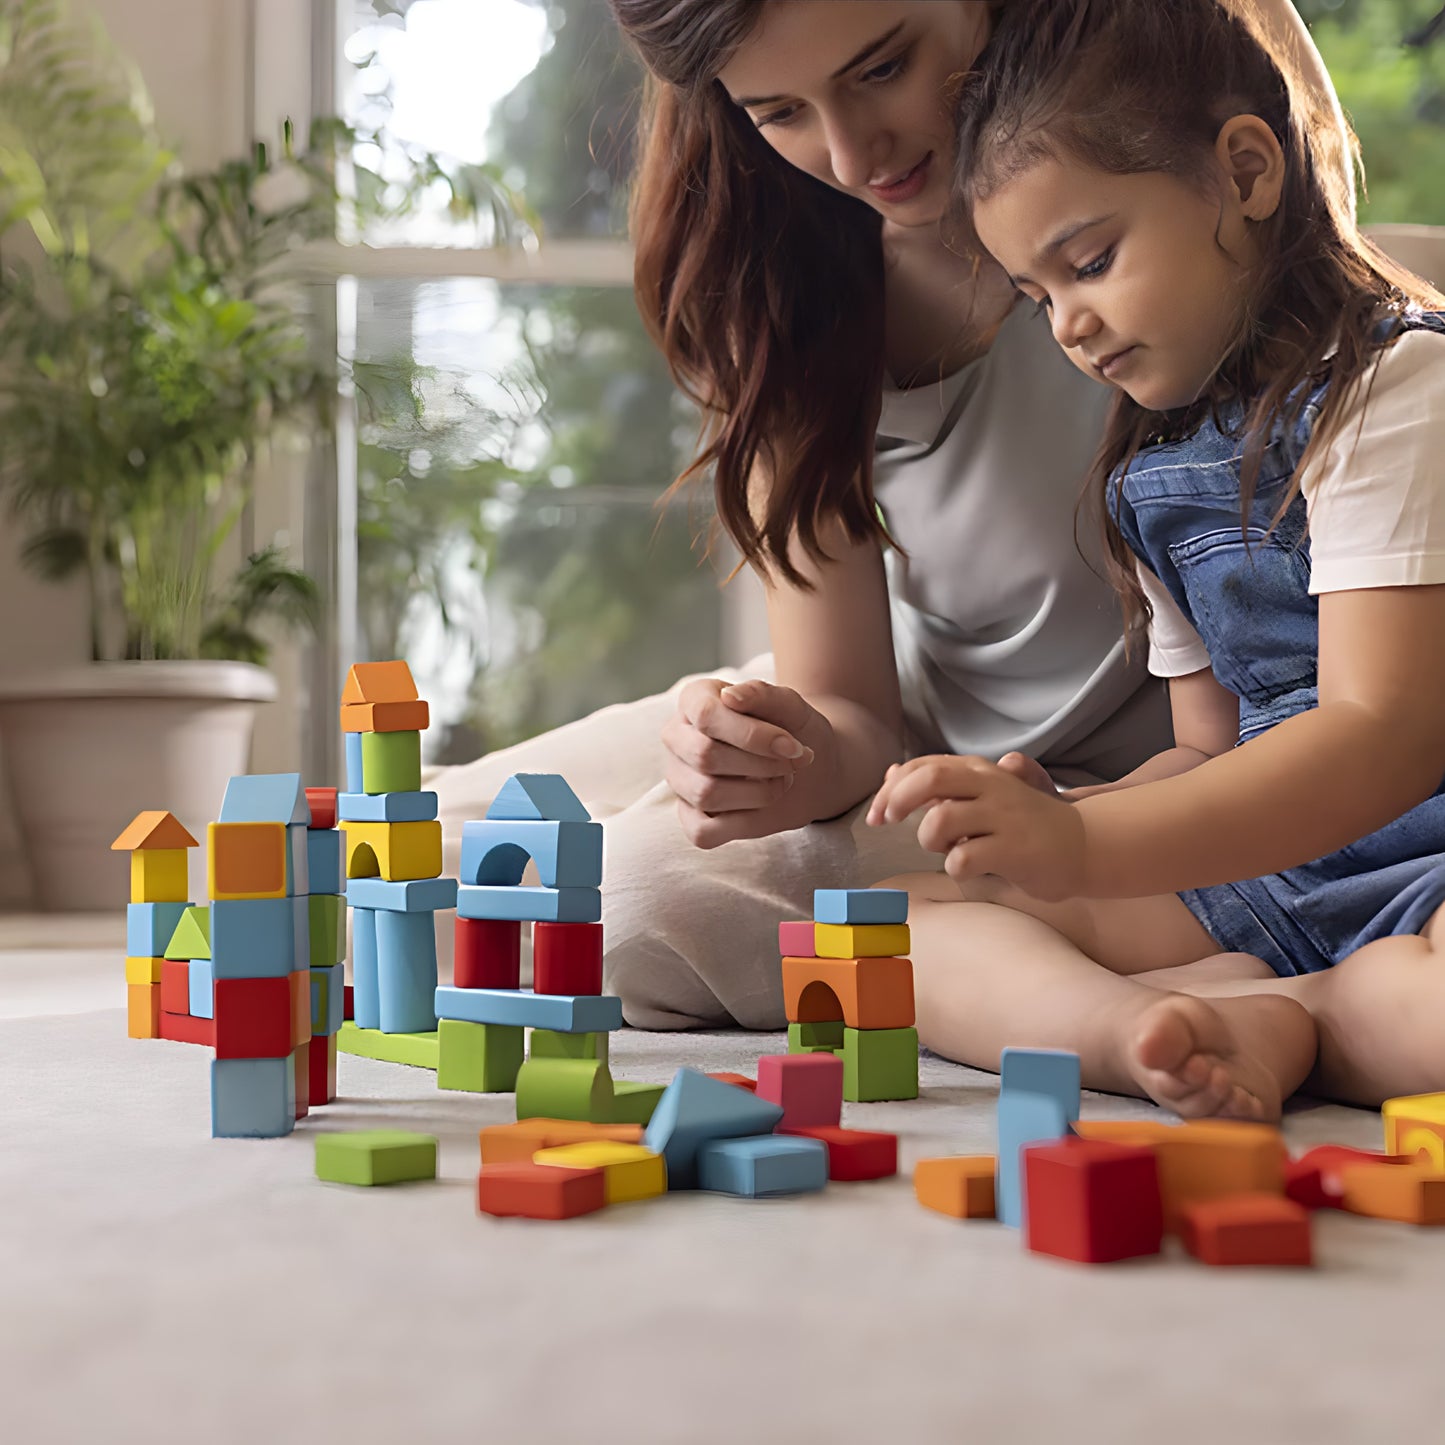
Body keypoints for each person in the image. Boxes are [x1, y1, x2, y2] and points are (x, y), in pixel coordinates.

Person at [429, 0, 1350, 1031]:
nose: (849, 154)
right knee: (415, 843)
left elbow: (1339, 324)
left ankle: (1180, 983)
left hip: (1104, 782)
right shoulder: (782, 273)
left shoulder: (1167, 133)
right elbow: (848, 707)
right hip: (900, 725)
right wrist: (781, 761)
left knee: (636, 904)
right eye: (777, 111)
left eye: (881, 68)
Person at [868, 0, 1445, 1121]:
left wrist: (1088, 840)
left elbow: (1379, 737)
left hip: (1426, 850)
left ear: (1242, 171)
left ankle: (1305, 1015)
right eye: (1037, 298)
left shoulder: (1394, 393)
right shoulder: (1146, 469)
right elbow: (1205, 753)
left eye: (1087, 262)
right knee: (888, 929)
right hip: (1275, 864)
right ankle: (1130, 1031)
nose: (1068, 326)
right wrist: (1048, 831)